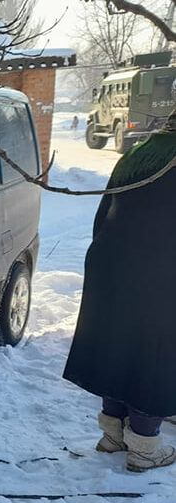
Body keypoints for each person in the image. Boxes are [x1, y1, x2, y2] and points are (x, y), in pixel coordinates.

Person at [63, 110, 176, 472]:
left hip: (111, 263)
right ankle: (144, 447)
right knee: (155, 354)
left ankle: (113, 435)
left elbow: (104, 214)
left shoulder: (138, 153)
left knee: (117, 345)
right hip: (160, 270)